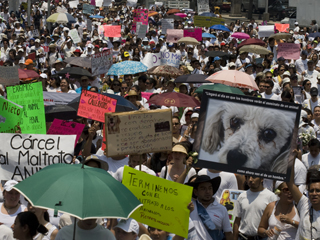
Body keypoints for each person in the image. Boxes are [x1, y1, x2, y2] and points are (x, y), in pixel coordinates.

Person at [188, 175, 233, 240]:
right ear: (195, 192)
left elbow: (228, 233)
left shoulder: (222, 209)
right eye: (203, 189)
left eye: (210, 188)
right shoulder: (190, 206)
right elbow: (176, 190)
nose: (207, 191)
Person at [233, 176, 277, 240]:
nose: (250, 180)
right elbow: (237, 220)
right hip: (243, 237)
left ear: (262, 179)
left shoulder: (271, 196)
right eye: (248, 177)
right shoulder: (242, 196)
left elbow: (275, 221)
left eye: (254, 177)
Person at [287, 162, 320, 240]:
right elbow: (289, 183)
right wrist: (291, 158)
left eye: (318, 191)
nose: (314, 194)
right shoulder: (304, 203)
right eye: (311, 191)